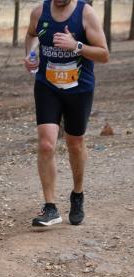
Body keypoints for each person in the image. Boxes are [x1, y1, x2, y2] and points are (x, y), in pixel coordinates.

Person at [24, 0, 109, 227]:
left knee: (75, 142)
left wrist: (76, 45)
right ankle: (50, 207)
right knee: (46, 144)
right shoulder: (39, 12)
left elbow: (103, 54)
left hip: (79, 88)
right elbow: (31, 35)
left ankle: (77, 194)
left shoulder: (85, 14)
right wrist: (31, 54)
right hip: (47, 86)